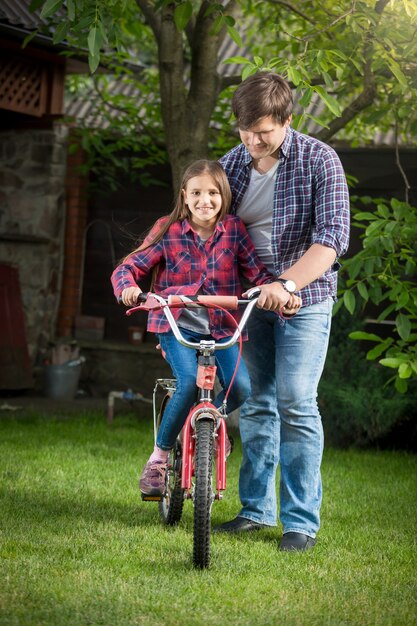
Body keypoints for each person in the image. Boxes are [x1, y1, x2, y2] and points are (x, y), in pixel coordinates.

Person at [215, 72, 350, 551]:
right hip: (250, 304)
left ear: (287, 122)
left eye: (264, 131)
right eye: (246, 130)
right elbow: (207, 230)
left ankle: (299, 523)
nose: (254, 140)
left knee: (295, 398)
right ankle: (254, 511)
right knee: (254, 402)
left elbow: (332, 239)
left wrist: (287, 283)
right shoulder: (231, 165)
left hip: (305, 298)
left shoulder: (320, 160)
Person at [111, 159, 301, 497]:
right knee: (186, 384)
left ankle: (210, 431)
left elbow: (256, 274)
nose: (205, 200)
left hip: (223, 326)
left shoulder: (234, 230)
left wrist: (281, 294)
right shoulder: (167, 229)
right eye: (196, 193)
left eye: (213, 193)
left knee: (241, 387)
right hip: (176, 324)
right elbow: (130, 266)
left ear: (223, 196)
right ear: (184, 196)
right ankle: (159, 458)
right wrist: (128, 287)